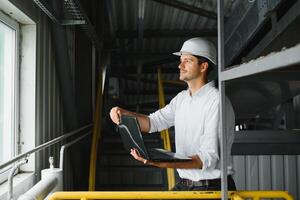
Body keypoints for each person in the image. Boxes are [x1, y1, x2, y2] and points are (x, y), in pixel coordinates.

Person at [110, 37, 236, 191]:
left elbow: (205, 159)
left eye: (187, 61)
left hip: (212, 189)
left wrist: (158, 162)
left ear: (203, 66)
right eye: (181, 60)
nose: (180, 65)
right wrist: (122, 114)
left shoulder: (216, 102)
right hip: (186, 184)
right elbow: (153, 123)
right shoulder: (182, 99)